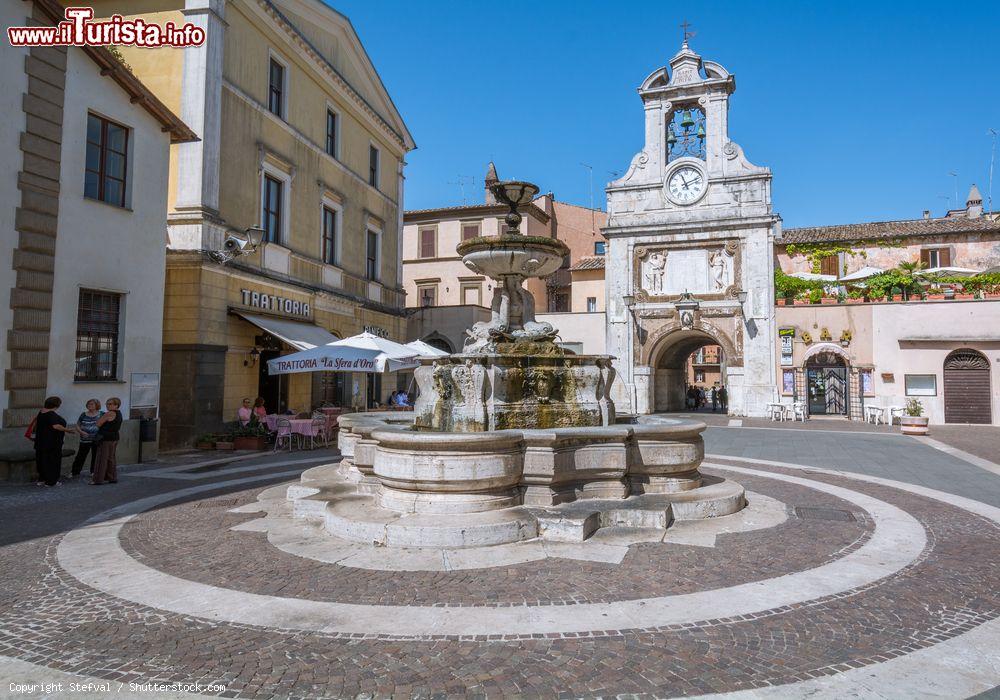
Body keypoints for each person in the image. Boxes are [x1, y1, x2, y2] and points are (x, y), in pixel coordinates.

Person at [34, 397, 74, 487]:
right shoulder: (51, 414)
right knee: (52, 461)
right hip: (52, 442)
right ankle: (51, 481)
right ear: (57, 405)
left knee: (42, 460)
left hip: (41, 441)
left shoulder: (41, 412)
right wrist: (68, 430)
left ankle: (42, 479)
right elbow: (56, 426)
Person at [91, 397, 122, 486]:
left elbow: (98, 423)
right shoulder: (119, 413)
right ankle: (112, 477)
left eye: (110, 404)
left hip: (105, 438)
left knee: (101, 459)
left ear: (116, 405)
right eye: (107, 404)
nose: (108, 406)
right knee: (111, 458)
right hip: (114, 437)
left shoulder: (109, 413)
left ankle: (97, 479)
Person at [70, 399, 102, 478]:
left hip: (96, 439)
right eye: (88, 404)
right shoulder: (83, 414)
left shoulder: (102, 414)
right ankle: (74, 472)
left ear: (97, 405)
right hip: (84, 439)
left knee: (96, 456)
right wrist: (81, 432)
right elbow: (77, 425)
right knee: (80, 456)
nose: (89, 406)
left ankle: (93, 472)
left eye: (92, 404)